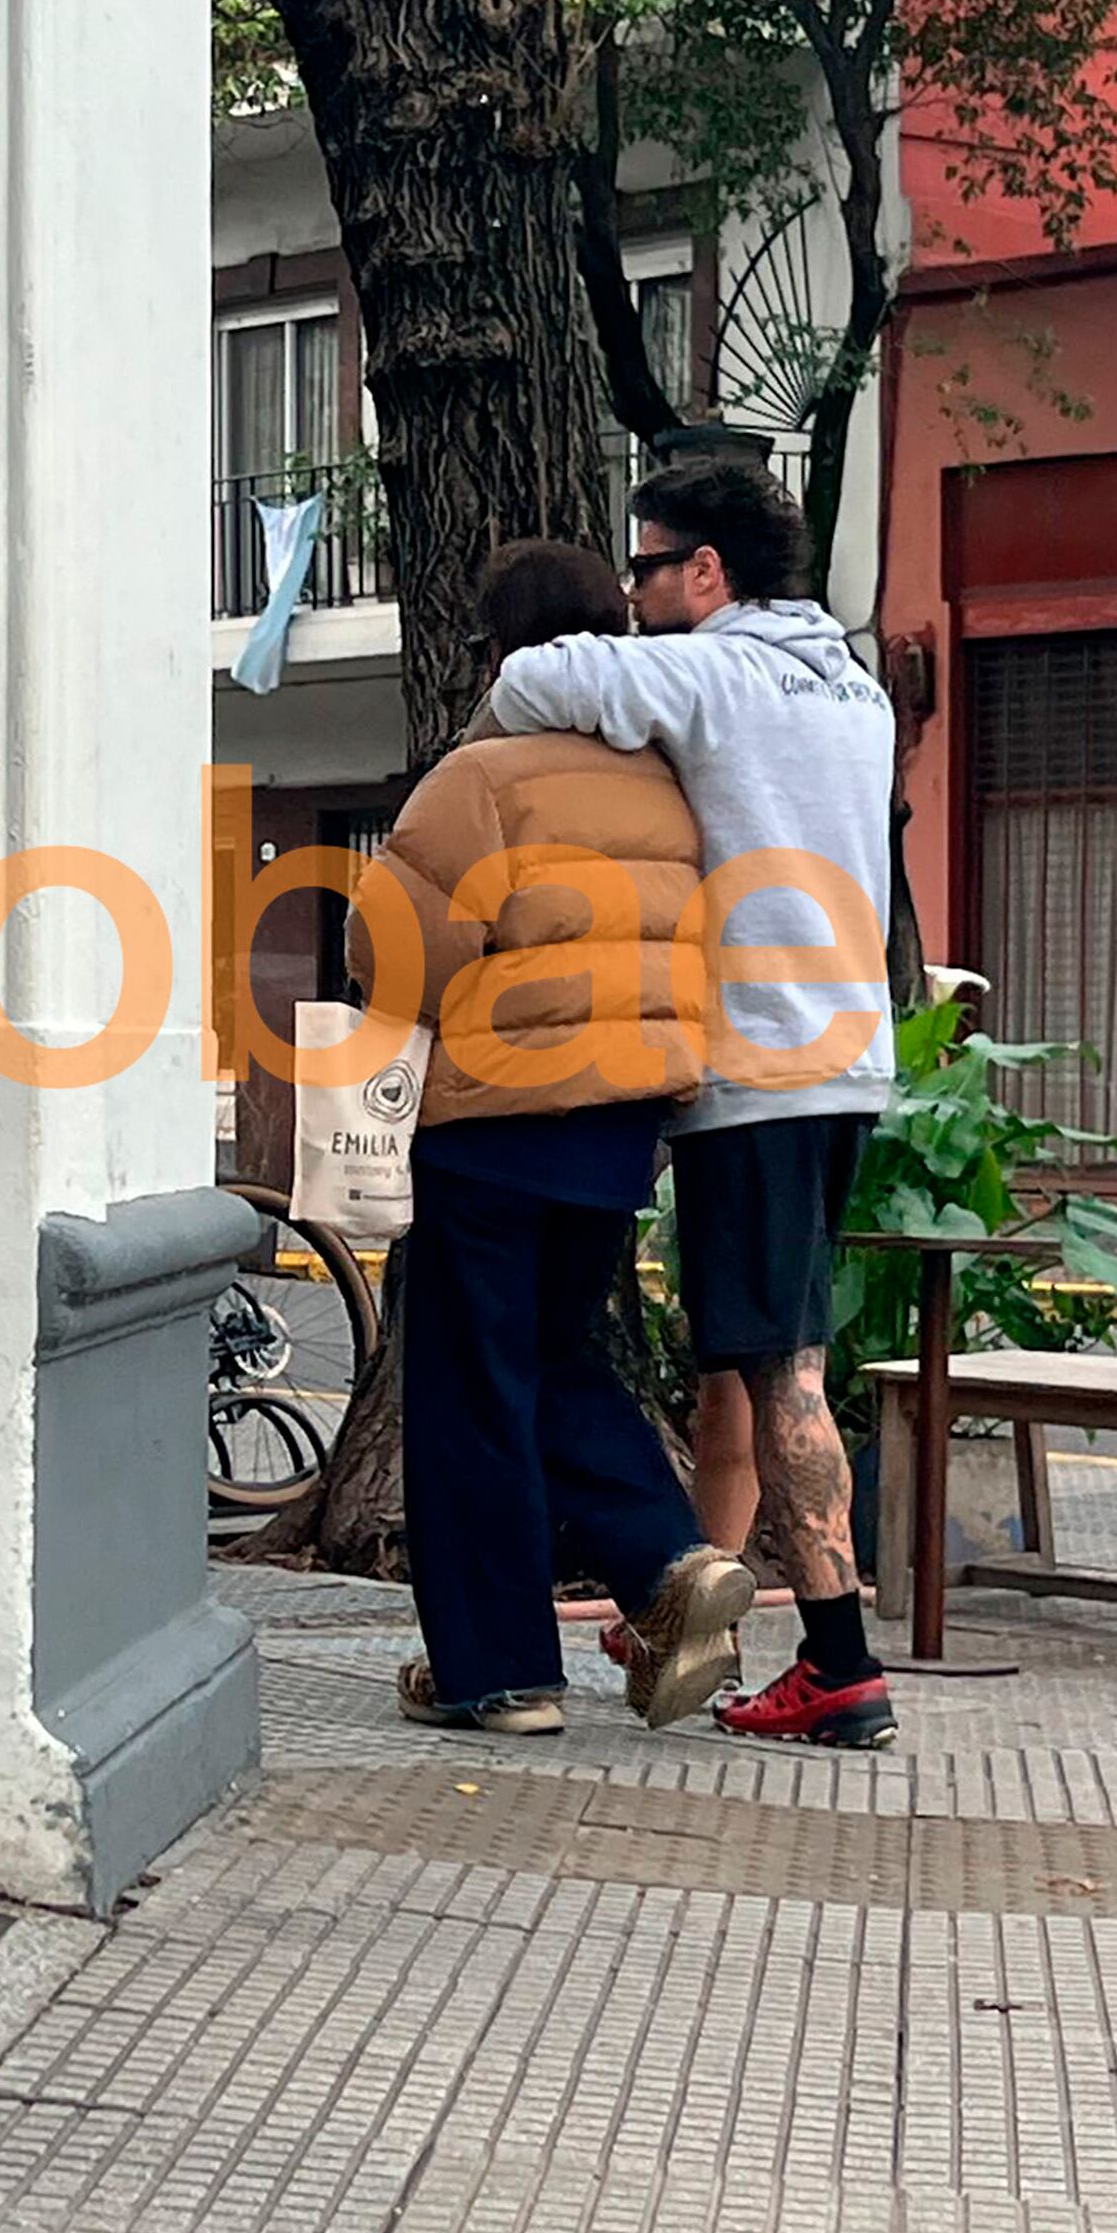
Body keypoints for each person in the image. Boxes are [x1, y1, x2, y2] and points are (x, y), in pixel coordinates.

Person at [486, 463, 898, 1751]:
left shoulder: (713, 674)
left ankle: (842, 1666)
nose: (634, 590)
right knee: (739, 1345)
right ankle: (689, 1596)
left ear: (707, 572)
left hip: (759, 1067)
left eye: (648, 567)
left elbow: (529, 681)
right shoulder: (858, 683)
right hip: (846, 1053)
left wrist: (596, 644)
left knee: (782, 1366)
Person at [348, 540, 756, 1741]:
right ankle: (669, 1562)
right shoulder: (665, 785)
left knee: (472, 1389)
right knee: (557, 1360)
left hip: (493, 1126)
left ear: (497, 648)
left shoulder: (480, 779)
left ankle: (501, 1672)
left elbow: (395, 955)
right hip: (621, 1131)